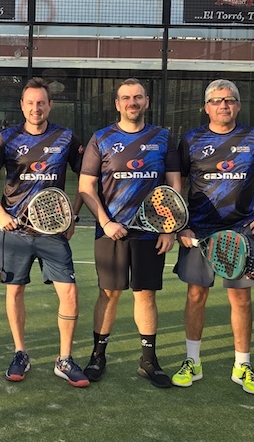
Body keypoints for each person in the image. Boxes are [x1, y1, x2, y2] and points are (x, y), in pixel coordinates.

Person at [171, 79, 254, 395]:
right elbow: (176, 183)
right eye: (218, 100)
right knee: (196, 295)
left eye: (230, 99)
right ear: (206, 106)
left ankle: (242, 366)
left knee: (241, 298)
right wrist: (181, 225)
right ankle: (192, 362)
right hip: (199, 231)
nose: (224, 105)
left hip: (239, 232)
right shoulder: (191, 139)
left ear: (237, 105)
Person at [0, 77, 88, 388]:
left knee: (69, 292)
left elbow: (86, 179)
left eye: (41, 102)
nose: (36, 108)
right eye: (30, 103)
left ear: (49, 105)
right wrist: (0, 215)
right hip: (15, 229)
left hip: (53, 230)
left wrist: (73, 216)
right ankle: (20, 353)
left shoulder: (65, 137)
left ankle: (64, 359)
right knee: (14, 291)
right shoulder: (7, 138)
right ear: (22, 106)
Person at [78, 78, 181, 388]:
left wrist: (170, 227)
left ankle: (148, 361)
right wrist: (106, 222)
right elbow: (85, 187)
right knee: (109, 294)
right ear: (117, 104)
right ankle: (97, 356)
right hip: (111, 232)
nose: (132, 102)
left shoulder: (163, 138)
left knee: (145, 294)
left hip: (152, 233)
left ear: (146, 102)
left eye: (137, 97)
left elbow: (175, 185)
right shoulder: (102, 139)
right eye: (126, 97)